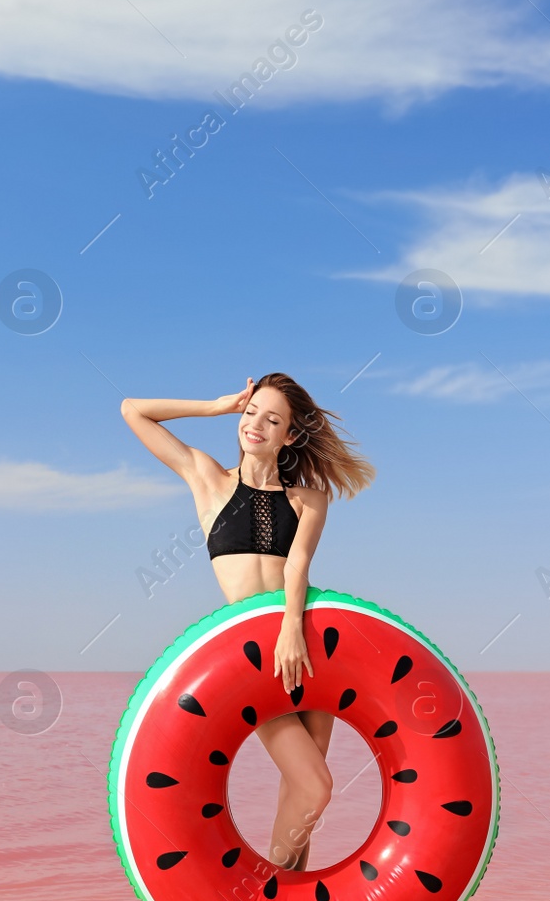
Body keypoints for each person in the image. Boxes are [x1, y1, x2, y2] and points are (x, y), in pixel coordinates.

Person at [120, 373, 374, 871]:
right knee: (315, 785)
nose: (256, 424)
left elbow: (297, 565)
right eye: (252, 412)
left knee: (301, 789)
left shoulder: (309, 499)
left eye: (272, 419)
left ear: (290, 436)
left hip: (307, 646)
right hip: (256, 659)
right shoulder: (207, 478)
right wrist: (217, 406)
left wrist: (292, 629)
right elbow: (133, 409)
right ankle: (267, 893)